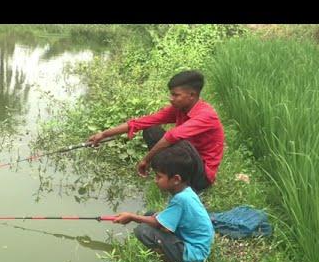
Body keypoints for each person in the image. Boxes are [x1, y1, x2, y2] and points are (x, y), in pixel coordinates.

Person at [86, 70, 225, 193]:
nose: (171, 99)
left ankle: (180, 183)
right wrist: (103, 134)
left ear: (192, 95)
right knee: (151, 130)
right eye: (171, 94)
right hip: (186, 162)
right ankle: (167, 177)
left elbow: (172, 136)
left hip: (201, 176)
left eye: (175, 95)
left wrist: (146, 159)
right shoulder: (179, 109)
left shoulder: (206, 115)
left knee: (179, 143)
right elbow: (143, 121)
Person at [112, 146, 214, 262]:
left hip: (193, 254)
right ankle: (170, 252)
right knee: (150, 214)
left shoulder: (181, 199)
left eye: (159, 176)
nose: (156, 180)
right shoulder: (185, 191)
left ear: (176, 179)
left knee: (143, 231)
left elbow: (157, 223)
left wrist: (131, 217)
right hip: (196, 245)